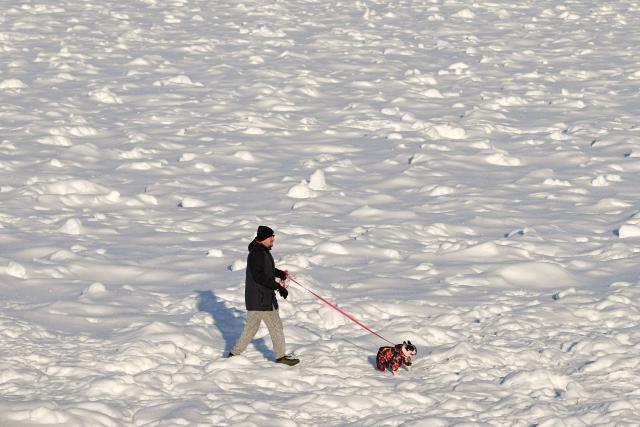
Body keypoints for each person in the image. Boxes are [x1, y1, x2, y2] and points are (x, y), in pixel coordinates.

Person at [228, 225, 300, 366]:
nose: (273, 239)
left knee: (251, 329)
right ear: (262, 239)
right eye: (270, 237)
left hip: (259, 299)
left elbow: (265, 270)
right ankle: (280, 357)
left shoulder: (261, 251)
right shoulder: (257, 254)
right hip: (261, 300)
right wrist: (278, 286)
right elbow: (259, 276)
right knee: (276, 327)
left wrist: (278, 273)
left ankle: (234, 354)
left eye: (273, 236)